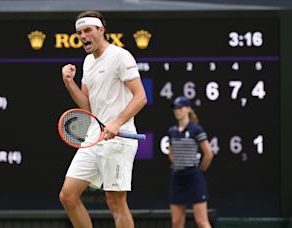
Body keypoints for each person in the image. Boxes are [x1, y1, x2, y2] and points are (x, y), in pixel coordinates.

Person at [59, 10, 147, 228]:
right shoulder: (88, 62)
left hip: (118, 141)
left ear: (101, 30)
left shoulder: (120, 56)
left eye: (88, 30)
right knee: (68, 196)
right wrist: (69, 83)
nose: (83, 36)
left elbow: (141, 97)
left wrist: (117, 122)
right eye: (79, 32)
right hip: (93, 138)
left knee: (115, 203)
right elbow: (87, 107)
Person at [167, 96, 213, 228]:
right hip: (177, 178)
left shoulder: (196, 130)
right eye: (175, 108)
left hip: (194, 177)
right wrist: (177, 163)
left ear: (188, 109)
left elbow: (208, 154)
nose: (177, 111)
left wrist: (200, 171)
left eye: (180, 108)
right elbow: (171, 152)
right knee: (176, 223)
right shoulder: (172, 131)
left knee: (201, 221)